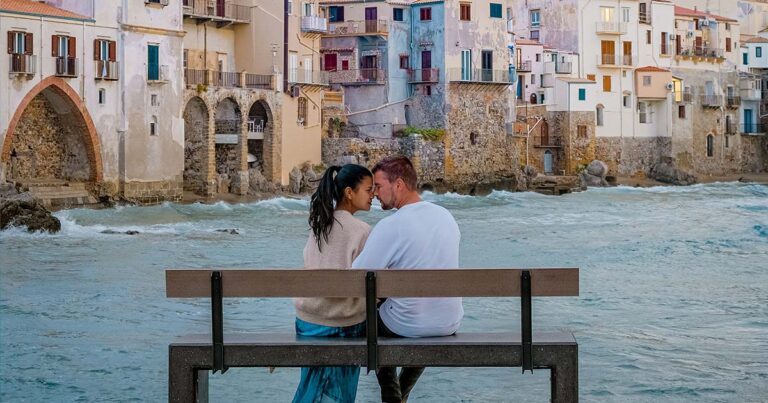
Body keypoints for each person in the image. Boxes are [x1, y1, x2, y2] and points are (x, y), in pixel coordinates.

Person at [352, 156, 463, 403]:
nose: (376, 194)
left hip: (408, 324)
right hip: (448, 322)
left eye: (379, 186)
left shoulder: (392, 225)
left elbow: (356, 278)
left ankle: (392, 395)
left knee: (371, 313)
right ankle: (402, 395)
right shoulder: (446, 216)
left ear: (399, 184)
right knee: (415, 311)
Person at [292, 164, 375, 403]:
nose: (373, 195)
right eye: (368, 190)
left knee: (315, 383)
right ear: (350, 192)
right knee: (336, 390)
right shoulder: (361, 230)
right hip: (341, 323)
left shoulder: (318, 225)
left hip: (307, 321)